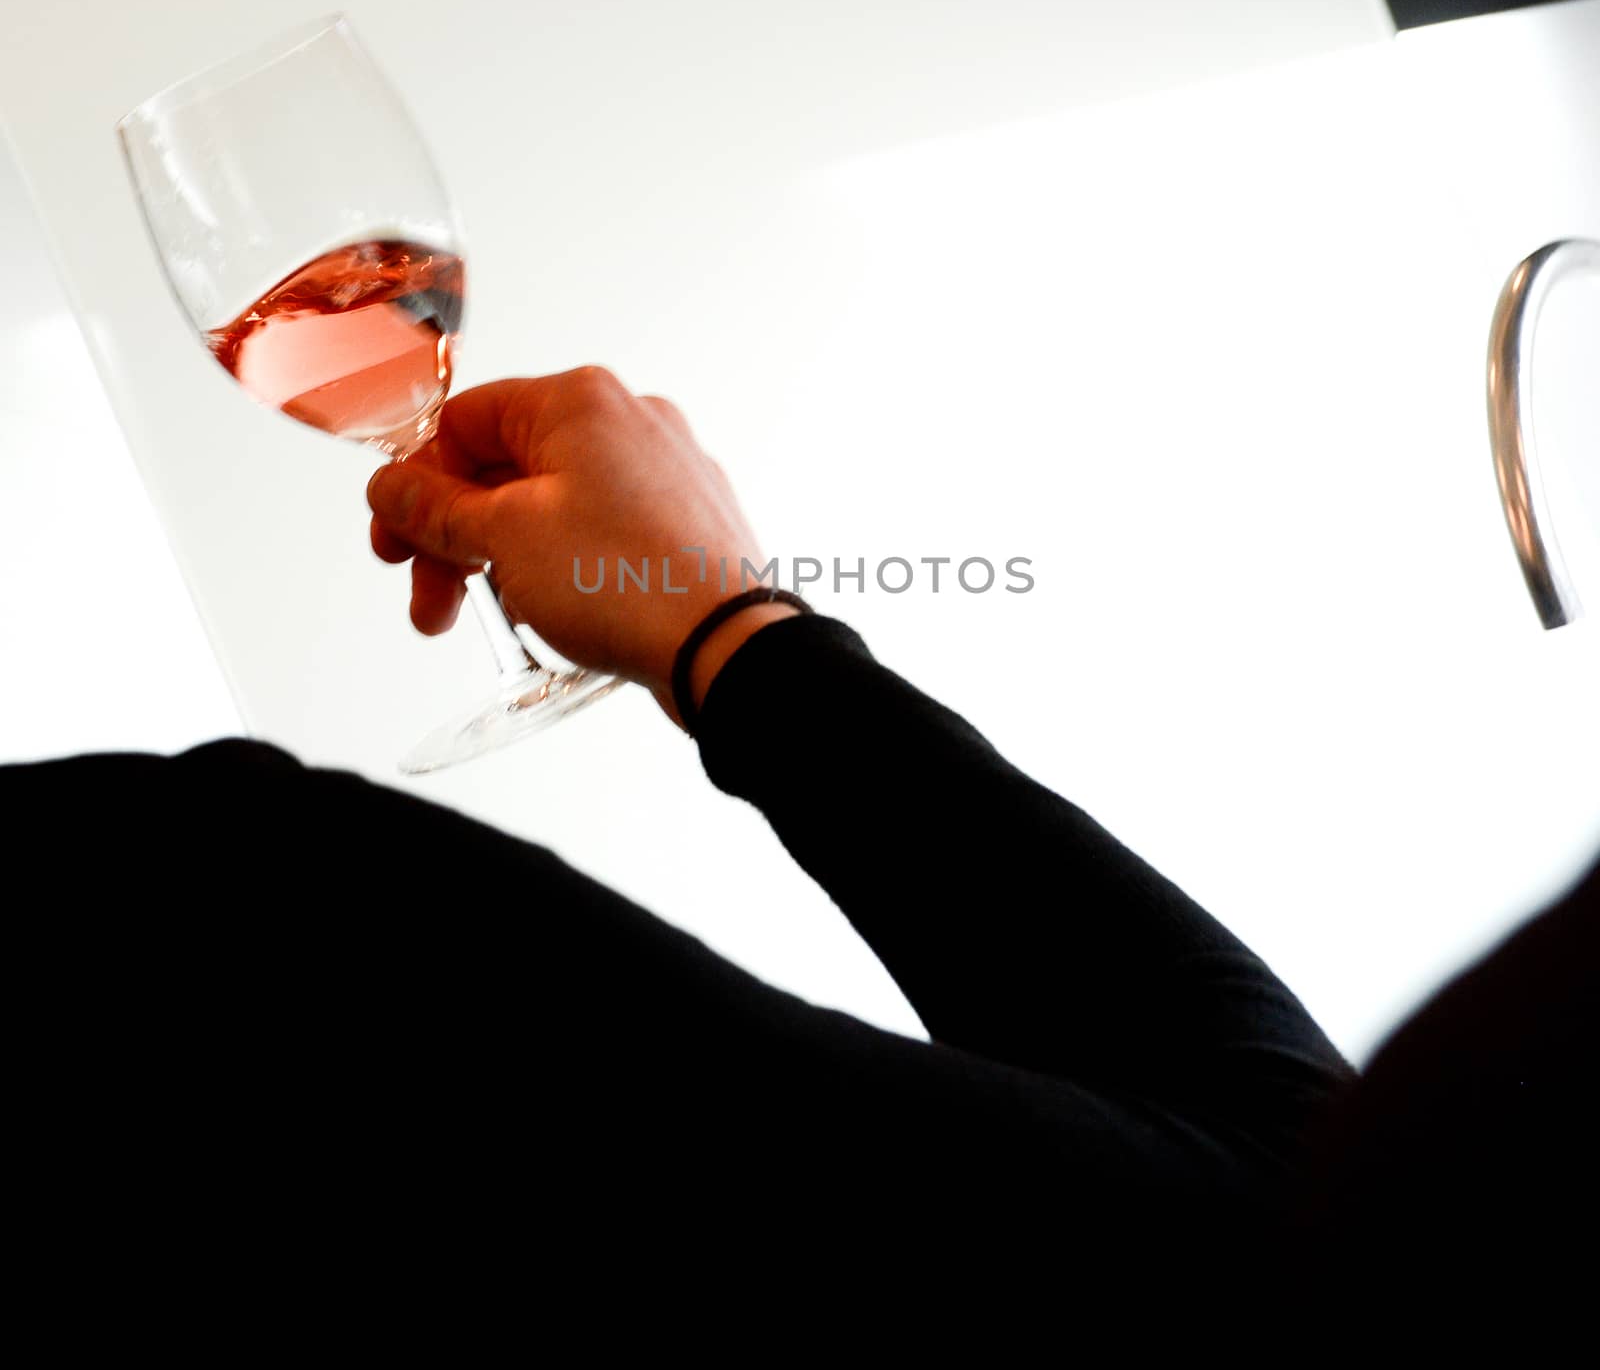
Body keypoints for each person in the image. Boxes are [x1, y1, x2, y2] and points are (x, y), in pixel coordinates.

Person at [9, 367, 1594, 1334]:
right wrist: (727, 634)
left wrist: (736, 638)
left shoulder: (219, 926)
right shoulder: (225, 919)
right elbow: (1282, 1200)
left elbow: (1287, 1212)